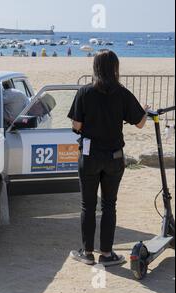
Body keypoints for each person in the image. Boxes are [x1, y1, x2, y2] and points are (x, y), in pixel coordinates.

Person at [68, 50, 149, 267]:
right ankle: (106, 253)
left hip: (89, 155)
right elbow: (140, 123)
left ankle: (87, 252)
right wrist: (146, 111)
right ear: (115, 68)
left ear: (95, 67)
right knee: (109, 205)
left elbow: (76, 126)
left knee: (87, 205)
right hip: (114, 156)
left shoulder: (84, 92)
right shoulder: (122, 93)